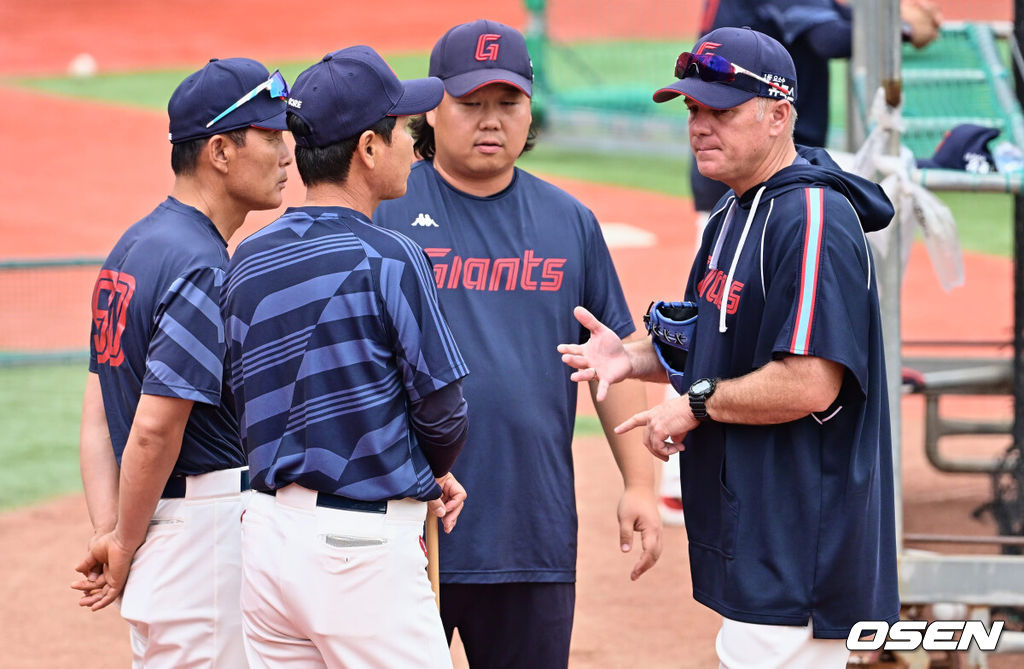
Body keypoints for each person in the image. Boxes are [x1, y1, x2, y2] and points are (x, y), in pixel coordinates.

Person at [559, 26, 899, 667]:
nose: (700, 126)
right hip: (757, 535)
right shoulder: (732, 212)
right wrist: (631, 357)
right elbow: (710, 341)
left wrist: (693, 405)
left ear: (779, 115)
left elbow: (810, 382)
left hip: (803, 546)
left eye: (722, 110)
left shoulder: (811, 219)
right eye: (693, 109)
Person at [374, 19, 663, 668]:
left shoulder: (569, 221)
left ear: (531, 110)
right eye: (470, 103)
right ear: (432, 109)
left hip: (530, 529)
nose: (490, 120)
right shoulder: (387, 210)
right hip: (407, 529)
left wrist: (639, 483)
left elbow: (609, 358)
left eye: (508, 104)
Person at [221, 46, 468, 668]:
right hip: (361, 552)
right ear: (367, 148)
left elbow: (236, 395)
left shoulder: (247, 256)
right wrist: (430, 466)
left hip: (265, 541)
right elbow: (444, 411)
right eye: (406, 129)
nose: (416, 142)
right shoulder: (390, 256)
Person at [71, 57, 292, 667]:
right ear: (220, 151)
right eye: (271, 136)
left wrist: (110, 530)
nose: (287, 154)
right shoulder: (202, 266)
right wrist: (122, 540)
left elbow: (97, 415)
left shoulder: (133, 246)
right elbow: (153, 429)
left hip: (165, 532)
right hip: (205, 539)